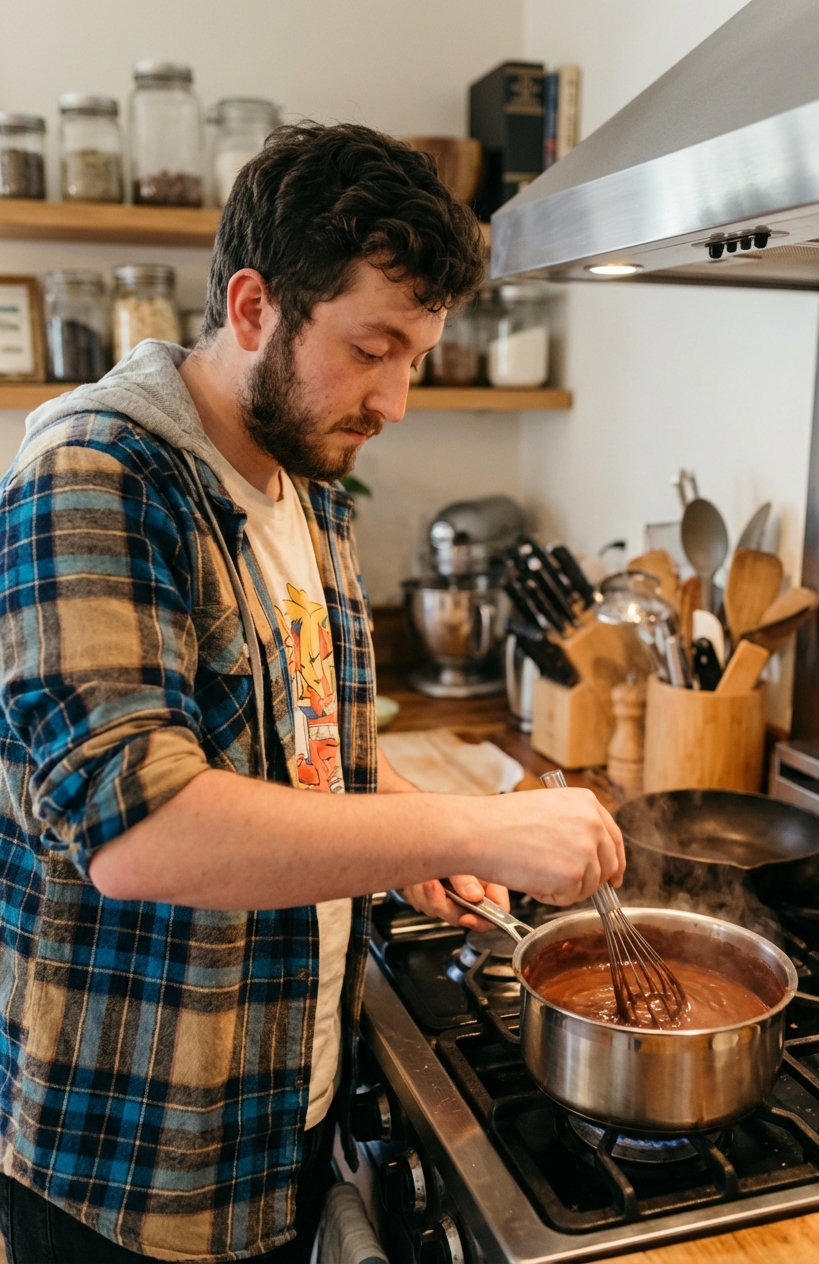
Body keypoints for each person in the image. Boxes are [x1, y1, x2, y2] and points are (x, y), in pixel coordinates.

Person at [0, 121, 624, 1263]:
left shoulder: (305, 483)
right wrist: (475, 819)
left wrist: (393, 823)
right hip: (141, 1150)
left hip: (284, 1105)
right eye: (371, 346)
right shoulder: (92, 479)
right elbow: (140, 834)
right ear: (252, 308)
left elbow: (305, 741)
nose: (394, 400)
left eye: (416, 358)